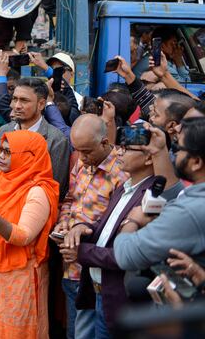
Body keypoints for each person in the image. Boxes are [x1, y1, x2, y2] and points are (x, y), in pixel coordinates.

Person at [61, 123, 183, 336]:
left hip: (121, 299)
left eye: (127, 149)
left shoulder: (153, 198)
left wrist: (82, 253)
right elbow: (105, 227)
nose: (119, 152)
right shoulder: (124, 188)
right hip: (100, 294)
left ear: (148, 157)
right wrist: (82, 227)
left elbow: (127, 254)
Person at [0, 130, 60, 339]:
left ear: (29, 156)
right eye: (0, 150)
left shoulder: (38, 191)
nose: (2, 156)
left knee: (17, 331)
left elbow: (23, 236)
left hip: (19, 274)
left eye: (9, 151)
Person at [53, 115, 127, 339]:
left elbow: (117, 225)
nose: (82, 158)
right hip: (71, 266)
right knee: (76, 332)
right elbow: (69, 199)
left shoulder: (122, 172)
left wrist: (83, 232)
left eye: (87, 152)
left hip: (98, 270)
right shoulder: (81, 162)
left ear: (105, 143)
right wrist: (64, 222)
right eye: (78, 151)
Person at [114, 117, 205, 273]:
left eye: (178, 148)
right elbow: (173, 193)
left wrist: (133, 220)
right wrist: (158, 151)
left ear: (196, 162)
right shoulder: (193, 199)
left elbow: (125, 254)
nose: (173, 154)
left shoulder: (189, 212)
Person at [0, 78, 71, 199]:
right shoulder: (2, 132)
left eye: (24, 100)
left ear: (41, 104)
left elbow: (55, 187)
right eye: (14, 99)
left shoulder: (56, 140)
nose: (16, 106)